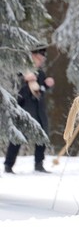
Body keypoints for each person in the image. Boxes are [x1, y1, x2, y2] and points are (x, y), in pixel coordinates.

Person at [4, 44, 55, 174]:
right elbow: (15, 92)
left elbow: (39, 93)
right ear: (32, 56)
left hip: (39, 111)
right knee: (18, 138)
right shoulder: (21, 71)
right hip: (24, 111)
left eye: (43, 57)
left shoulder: (41, 73)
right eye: (39, 57)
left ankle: (39, 164)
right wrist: (24, 81)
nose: (42, 59)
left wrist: (46, 85)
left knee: (42, 136)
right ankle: (8, 165)